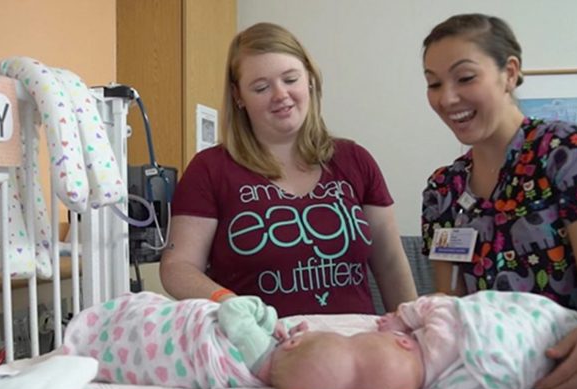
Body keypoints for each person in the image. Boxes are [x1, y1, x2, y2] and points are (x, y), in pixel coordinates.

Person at [418, 13, 577, 389]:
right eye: (434, 83)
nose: (446, 97)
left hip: (574, 373)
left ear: (510, 72)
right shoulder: (444, 189)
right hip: (490, 379)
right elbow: (451, 309)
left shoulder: (568, 154)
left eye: (465, 78)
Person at [160, 22, 417, 316]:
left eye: (290, 79)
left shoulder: (355, 160)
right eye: (261, 87)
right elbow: (178, 267)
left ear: (309, 78)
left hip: (357, 346)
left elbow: (390, 264)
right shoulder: (209, 170)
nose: (280, 95)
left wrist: (413, 329)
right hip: (262, 348)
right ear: (238, 96)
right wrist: (228, 302)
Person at [268, 291, 577, 389]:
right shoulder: (442, 341)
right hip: (517, 340)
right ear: (404, 342)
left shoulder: (445, 386)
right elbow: (442, 306)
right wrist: (404, 317)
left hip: (507, 375)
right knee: (542, 328)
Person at [62, 291, 308, 389]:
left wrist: (269, 318)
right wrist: (286, 328)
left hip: (185, 332)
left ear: (292, 344)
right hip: (180, 352)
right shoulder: (266, 378)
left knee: (144, 323)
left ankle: (95, 332)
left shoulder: (261, 350)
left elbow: (233, 311)